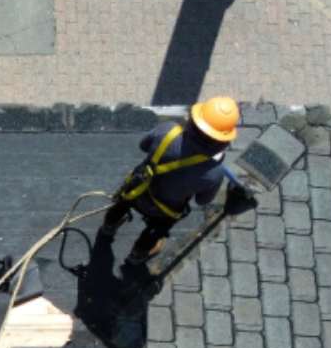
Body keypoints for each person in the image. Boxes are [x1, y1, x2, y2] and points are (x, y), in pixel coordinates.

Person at [98, 96, 245, 265]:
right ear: (223, 140)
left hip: (137, 189)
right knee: (156, 231)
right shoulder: (214, 173)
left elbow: (143, 145)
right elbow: (202, 200)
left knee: (121, 204)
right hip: (164, 211)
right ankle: (138, 254)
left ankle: (109, 226)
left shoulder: (167, 130)